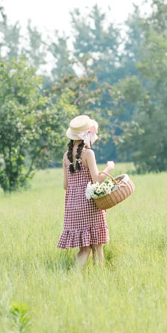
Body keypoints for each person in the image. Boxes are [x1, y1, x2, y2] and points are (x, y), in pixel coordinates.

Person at [57, 114, 115, 268]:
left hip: (72, 206)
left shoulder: (65, 156)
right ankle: (99, 277)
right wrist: (109, 167)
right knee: (97, 245)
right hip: (88, 203)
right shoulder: (88, 153)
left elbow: (65, 186)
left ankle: (74, 276)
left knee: (84, 248)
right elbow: (96, 179)